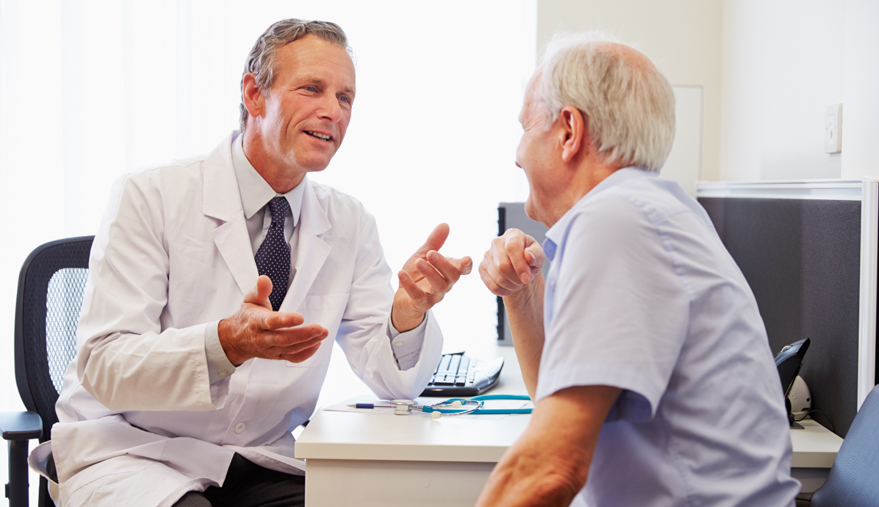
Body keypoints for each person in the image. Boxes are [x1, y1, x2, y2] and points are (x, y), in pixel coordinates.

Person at [37, 19, 471, 507]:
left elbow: (395, 381)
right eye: (313, 89)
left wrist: (407, 313)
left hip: (260, 456)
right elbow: (104, 365)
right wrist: (225, 344)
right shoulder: (151, 196)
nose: (333, 111)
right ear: (254, 94)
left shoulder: (349, 221)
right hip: (134, 452)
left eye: (346, 98)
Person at [475, 33, 800, 507]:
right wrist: (522, 292)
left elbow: (550, 468)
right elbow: (554, 394)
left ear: (568, 131)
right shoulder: (644, 210)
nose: (516, 154)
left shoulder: (616, 220)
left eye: (525, 128)